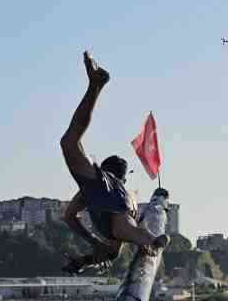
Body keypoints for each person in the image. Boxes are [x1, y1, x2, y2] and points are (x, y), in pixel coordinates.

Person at [59, 51, 169, 274]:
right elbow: (112, 251)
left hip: (106, 197)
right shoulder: (125, 197)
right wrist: (83, 261)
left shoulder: (94, 186)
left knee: (70, 142)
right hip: (125, 214)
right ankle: (150, 239)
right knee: (127, 229)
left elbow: (69, 216)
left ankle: (95, 86)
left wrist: (91, 242)